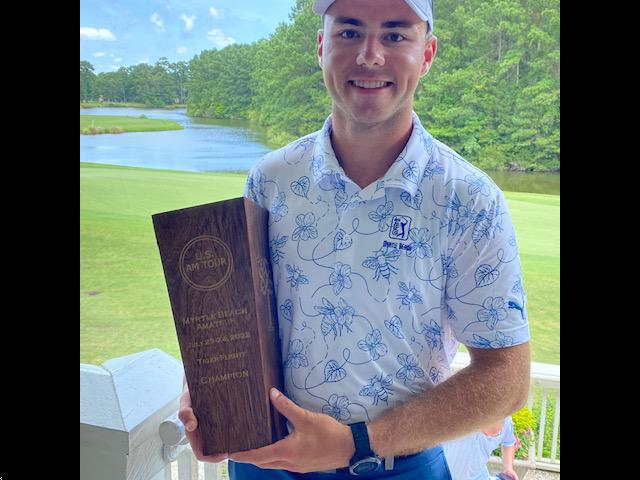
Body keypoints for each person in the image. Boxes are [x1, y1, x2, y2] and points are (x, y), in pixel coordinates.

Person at [179, 0, 531, 478]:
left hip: (397, 466)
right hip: (265, 459)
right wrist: (204, 386)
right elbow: (237, 316)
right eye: (348, 33)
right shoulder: (271, 178)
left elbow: (507, 382)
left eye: (394, 34)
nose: (369, 55)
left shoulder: (468, 199)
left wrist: (355, 443)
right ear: (321, 46)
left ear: (426, 54)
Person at [443, 416, 520, 480]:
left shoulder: (506, 421)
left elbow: (509, 442)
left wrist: (508, 468)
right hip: (447, 475)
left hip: (478, 475)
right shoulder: (462, 419)